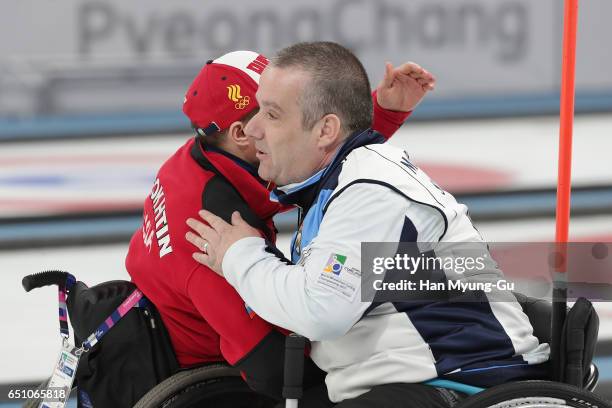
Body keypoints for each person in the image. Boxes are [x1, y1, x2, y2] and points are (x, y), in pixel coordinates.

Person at [185, 42, 551, 407]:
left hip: (462, 382)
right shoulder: (335, 181)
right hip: (409, 379)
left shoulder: (371, 192)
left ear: (326, 130)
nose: (254, 130)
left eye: (272, 114)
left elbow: (320, 311)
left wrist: (240, 255)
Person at [125, 49, 436, 400]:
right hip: (207, 385)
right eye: (272, 112)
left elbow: (317, 149)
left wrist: (384, 111)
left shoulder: (215, 156)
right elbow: (270, 367)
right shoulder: (208, 230)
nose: (271, 122)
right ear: (245, 133)